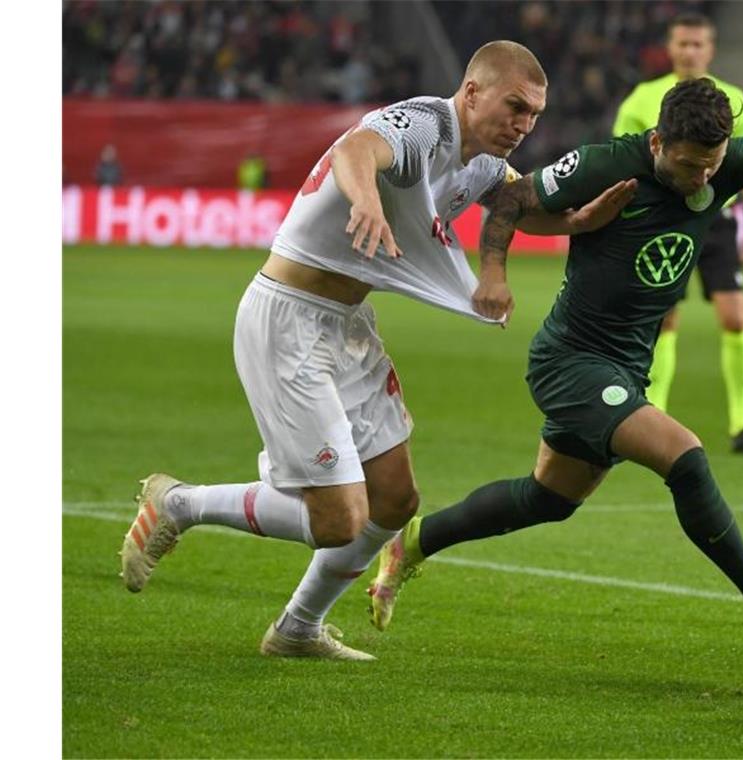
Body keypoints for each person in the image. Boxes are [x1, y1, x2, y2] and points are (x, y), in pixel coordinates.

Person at [118, 41, 636, 660]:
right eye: (515, 107)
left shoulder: (480, 163)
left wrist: (576, 223)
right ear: (472, 93)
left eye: (534, 115)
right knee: (337, 518)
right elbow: (355, 149)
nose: (524, 125)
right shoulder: (425, 123)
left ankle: (297, 630)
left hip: (347, 325)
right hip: (287, 320)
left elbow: (518, 205)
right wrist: (365, 198)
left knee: (394, 500)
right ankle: (177, 503)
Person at [368, 78, 743, 638]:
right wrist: (493, 275)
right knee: (685, 456)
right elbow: (512, 199)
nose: (701, 178)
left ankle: (412, 541)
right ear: (657, 143)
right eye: (687, 166)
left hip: (626, 365)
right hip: (570, 361)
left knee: (547, 499)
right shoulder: (603, 164)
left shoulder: (721, 164)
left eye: (711, 165)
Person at [613, 13, 743, 455]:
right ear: (670, 46)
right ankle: (653, 416)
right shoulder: (642, 99)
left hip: (716, 220)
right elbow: (622, 162)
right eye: (683, 43)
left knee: (735, 318)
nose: (690, 51)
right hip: (663, 221)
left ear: (711, 48)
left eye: (698, 44)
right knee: (665, 319)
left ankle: (742, 423)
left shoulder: (734, 100)